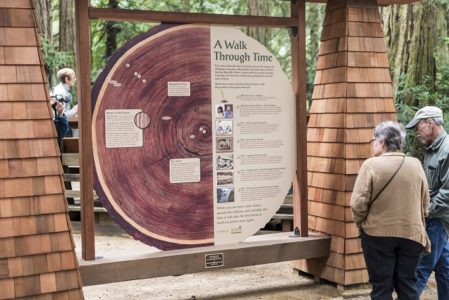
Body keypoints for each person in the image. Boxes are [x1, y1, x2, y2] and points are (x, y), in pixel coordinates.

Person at [351, 121, 430, 300]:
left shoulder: (371, 165)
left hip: (378, 234)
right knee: (408, 284)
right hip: (412, 235)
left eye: (373, 141)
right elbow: (426, 201)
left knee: (381, 286)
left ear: (383, 141)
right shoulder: (415, 164)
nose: (372, 145)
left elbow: (358, 203)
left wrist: (362, 224)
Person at [405, 106, 449, 298]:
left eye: (418, 126)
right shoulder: (433, 149)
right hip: (437, 219)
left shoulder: (447, 150)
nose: (416, 131)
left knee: (420, 269)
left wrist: (426, 211)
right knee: (445, 268)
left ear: (430, 123)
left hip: (436, 219)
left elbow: (447, 193)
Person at [50, 68, 78, 142]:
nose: (75, 79)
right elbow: (60, 115)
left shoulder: (59, 90)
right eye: (73, 77)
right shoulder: (61, 93)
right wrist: (74, 111)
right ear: (66, 79)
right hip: (57, 129)